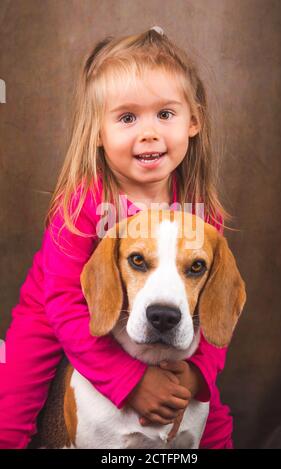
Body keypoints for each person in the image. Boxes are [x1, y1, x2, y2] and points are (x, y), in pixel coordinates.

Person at [0, 27, 233, 449]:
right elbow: (65, 304)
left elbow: (217, 305)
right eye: (128, 117)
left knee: (212, 413)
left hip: (143, 316)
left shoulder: (202, 212)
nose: (148, 132)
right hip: (58, 308)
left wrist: (199, 373)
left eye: (165, 114)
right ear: (97, 132)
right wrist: (130, 382)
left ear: (193, 120)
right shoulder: (81, 204)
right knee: (11, 406)